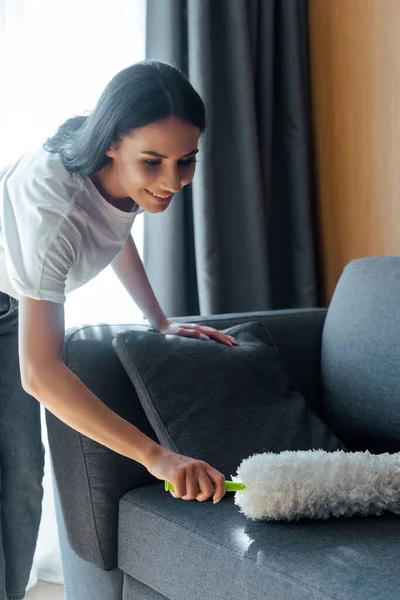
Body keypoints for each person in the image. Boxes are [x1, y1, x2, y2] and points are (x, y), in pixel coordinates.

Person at [0, 59, 237, 600]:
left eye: (186, 161)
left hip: (10, 302)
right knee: (7, 485)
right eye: (153, 162)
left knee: (20, 485)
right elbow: (40, 374)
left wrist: (160, 321)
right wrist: (159, 457)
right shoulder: (52, 214)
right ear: (112, 144)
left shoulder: (116, 173)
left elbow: (114, 230)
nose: (171, 183)